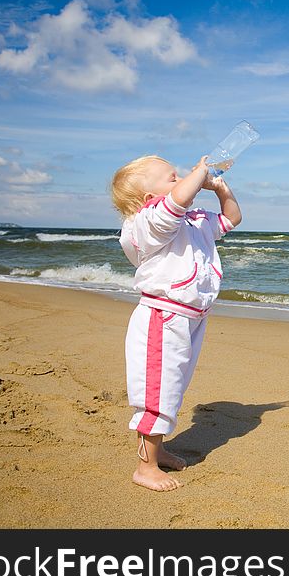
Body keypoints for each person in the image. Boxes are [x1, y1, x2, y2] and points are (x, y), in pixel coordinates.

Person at [110, 154, 241, 491]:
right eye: (172, 177)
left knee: (174, 388)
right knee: (157, 390)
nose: (183, 179)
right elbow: (177, 200)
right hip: (162, 317)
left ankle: (159, 450)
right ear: (148, 198)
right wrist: (200, 171)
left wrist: (220, 187)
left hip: (191, 318)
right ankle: (145, 466)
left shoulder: (193, 221)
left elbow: (232, 218)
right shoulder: (146, 223)